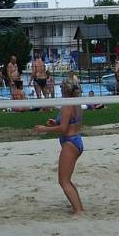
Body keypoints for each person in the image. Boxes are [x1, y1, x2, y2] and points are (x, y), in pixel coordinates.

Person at [34, 76, 84, 215]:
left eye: (61, 87)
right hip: (74, 140)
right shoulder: (76, 103)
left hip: (70, 142)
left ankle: (78, 211)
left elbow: (63, 129)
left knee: (63, 181)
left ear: (65, 90)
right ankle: (79, 207)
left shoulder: (68, 105)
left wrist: (44, 129)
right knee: (67, 180)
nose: (59, 89)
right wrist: (54, 122)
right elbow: (70, 123)